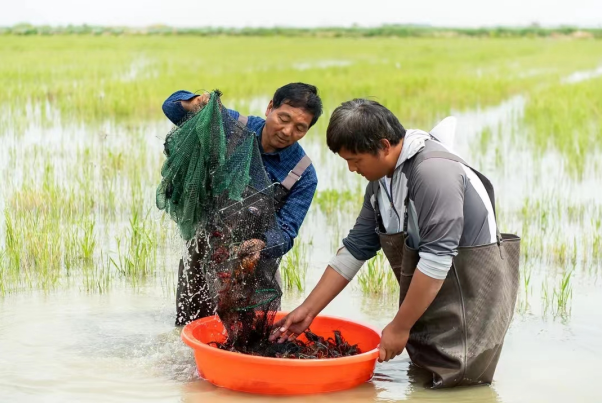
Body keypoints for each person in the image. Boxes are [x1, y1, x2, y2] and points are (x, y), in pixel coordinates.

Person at [270, 99, 520, 388]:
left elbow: (436, 259)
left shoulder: (433, 173)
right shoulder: (381, 183)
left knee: (463, 383)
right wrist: (308, 310)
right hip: (428, 296)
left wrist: (400, 327)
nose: (351, 169)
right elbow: (355, 249)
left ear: (385, 146)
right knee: (426, 378)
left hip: (470, 297)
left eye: (356, 160)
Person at [161, 83, 323, 326]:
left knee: (249, 343)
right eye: (283, 118)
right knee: (187, 331)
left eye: (300, 128)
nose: (287, 131)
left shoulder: (302, 174)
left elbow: (286, 232)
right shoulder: (232, 127)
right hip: (202, 252)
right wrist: (194, 103)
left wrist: (260, 244)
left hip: (253, 267)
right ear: (270, 108)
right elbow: (172, 108)